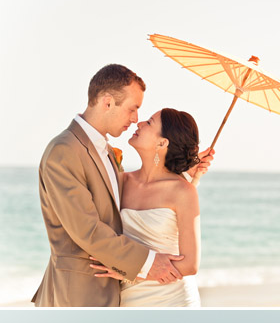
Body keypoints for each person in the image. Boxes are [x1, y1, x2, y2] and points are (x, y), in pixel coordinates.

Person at [33, 64, 212, 307]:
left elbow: (156, 208)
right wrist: (144, 266)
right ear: (107, 103)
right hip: (77, 293)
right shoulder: (65, 150)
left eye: (146, 119)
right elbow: (87, 230)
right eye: (134, 109)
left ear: (163, 143)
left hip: (152, 298)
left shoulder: (108, 154)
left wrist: (188, 178)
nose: (137, 119)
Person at [92, 108, 202, 308]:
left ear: (162, 143)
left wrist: (131, 270)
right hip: (129, 301)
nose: (139, 123)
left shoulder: (183, 191)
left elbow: (190, 264)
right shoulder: (121, 180)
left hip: (173, 301)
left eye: (150, 122)